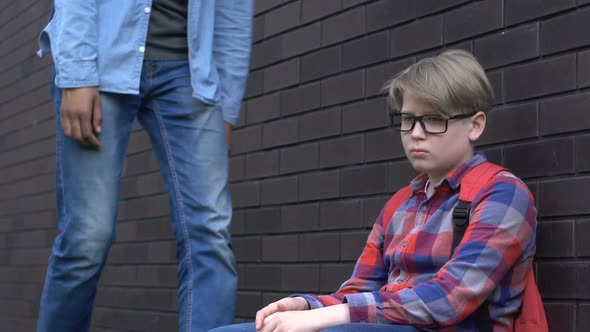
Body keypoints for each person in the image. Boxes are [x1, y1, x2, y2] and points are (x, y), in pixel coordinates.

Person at [209, 50, 538, 332]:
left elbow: (450, 299)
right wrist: (305, 305)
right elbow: (358, 290)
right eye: (408, 119)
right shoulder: (400, 204)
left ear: (475, 125)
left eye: (434, 119)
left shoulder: (502, 194)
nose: (416, 134)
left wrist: (331, 315)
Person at [35, 1, 254, 331]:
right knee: (87, 238)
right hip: (101, 58)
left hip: (190, 73)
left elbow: (233, 10)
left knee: (210, 232)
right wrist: (77, 72)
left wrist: (228, 104)